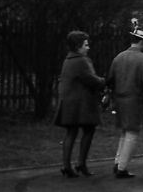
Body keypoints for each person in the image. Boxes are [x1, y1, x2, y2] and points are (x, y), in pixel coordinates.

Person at [54, 31, 106, 178]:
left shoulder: (68, 60)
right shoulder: (82, 61)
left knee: (71, 132)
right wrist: (104, 81)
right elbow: (91, 79)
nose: (88, 48)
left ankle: (66, 165)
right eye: (86, 45)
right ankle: (81, 163)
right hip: (82, 103)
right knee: (89, 130)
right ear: (78, 46)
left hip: (69, 101)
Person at [107, 28, 143, 178]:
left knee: (124, 132)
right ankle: (122, 167)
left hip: (120, 99)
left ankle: (118, 162)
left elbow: (110, 79)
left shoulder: (118, 57)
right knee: (132, 133)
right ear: (141, 42)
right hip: (136, 100)